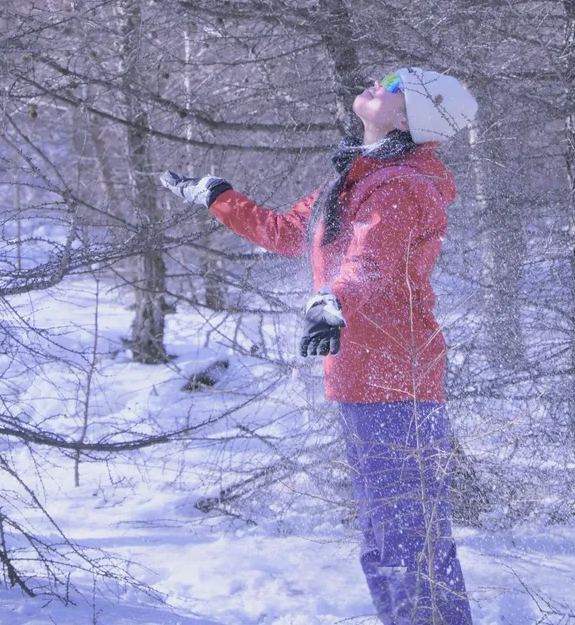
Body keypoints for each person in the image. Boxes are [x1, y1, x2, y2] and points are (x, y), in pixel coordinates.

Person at [161, 66, 477, 625]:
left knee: (407, 541)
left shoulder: (401, 186)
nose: (379, 82)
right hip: (362, 377)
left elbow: (371, 264)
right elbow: (289, 232)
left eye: (395, 85)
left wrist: (332, 300)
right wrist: (218, 196)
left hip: (396, 376)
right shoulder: (354, 180)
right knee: (382, 539)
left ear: (410, 118)